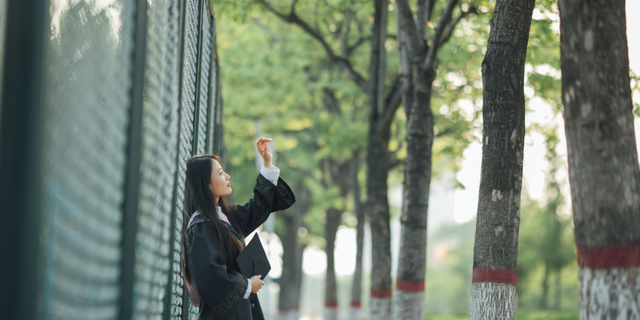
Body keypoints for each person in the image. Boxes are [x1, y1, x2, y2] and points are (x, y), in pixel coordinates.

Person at [180, 137, 295, 320]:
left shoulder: (224, 217)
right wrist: (247, 285)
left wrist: (267, 162)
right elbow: (210, 278)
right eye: (220, 173)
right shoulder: (201, 227)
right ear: (205, 184)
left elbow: (258, 207)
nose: (227, 176)